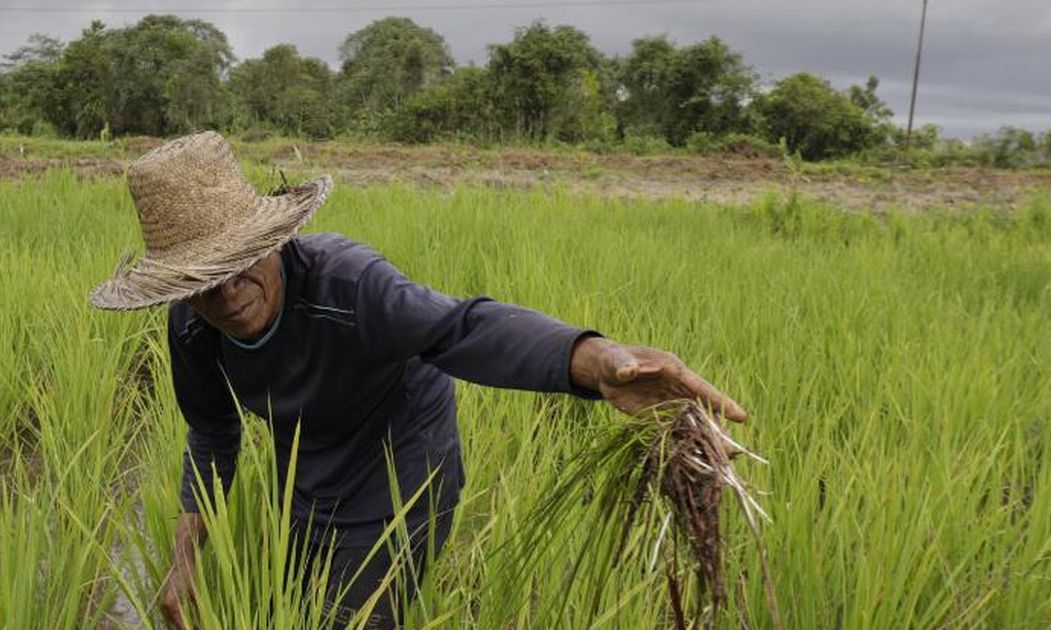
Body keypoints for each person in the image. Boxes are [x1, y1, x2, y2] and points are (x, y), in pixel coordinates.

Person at [91, 131, 747, 629]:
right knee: (288, 596)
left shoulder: (349, 287)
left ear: (273, 240)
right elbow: (212, 433)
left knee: (356, 615)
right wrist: (185, 558)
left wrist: (597, 361)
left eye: (241, 265)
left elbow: (465, 330)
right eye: (205, 284)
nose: (231, 296)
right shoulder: (192, 330)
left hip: (402, 462)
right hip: (311, 457)